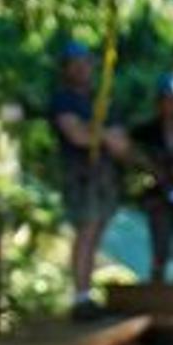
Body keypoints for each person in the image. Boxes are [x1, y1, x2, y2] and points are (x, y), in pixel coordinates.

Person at [45, 39, 130, 318]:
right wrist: (103, 135)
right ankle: (80, 296)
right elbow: (77, 136)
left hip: (105, 175)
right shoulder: (64, 100)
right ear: (66, 69)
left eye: (85, 63)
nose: (82, 69)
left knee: (97, 232)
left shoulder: (102, 100)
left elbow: (121, 145)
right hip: (80, 175)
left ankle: (86, 293)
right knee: (87, 229)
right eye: (75, 64)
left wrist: (96, 133)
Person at [128, 73, 173, 283]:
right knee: (160, 245)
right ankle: (157, 285)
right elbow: (130, 153)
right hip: (157, 196)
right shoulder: (145, 133)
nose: (172, 105)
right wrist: (150, 168)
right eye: (167, 100)